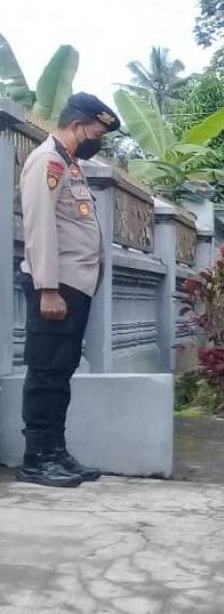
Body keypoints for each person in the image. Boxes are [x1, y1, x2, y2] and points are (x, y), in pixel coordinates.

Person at [17, 92, 120, 488]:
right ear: (78, 125)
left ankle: (55, 452)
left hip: (74, 286)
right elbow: (39, 227)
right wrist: (46, 288)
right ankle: (36, 459)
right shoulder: (48, 161)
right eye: (97, 132)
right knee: (45, 374)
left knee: (61, 372)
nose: (99, 140)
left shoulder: (69, 164)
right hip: (55, 286)